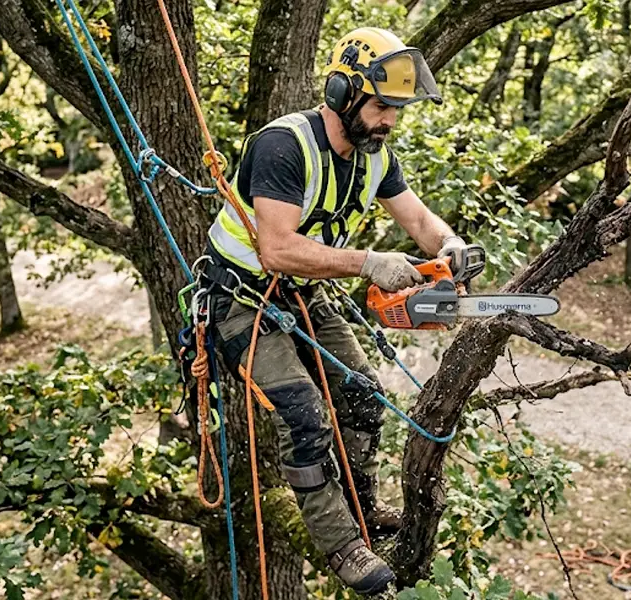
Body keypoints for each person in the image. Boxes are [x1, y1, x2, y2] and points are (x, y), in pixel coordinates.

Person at [201, 26, 477, 595]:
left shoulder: (376, 156)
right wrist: (369, 262)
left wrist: (449, 248)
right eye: (380, 107)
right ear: (340, 92)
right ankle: (340, 543)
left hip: (303, 296)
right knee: (304, 415)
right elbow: (275, 248)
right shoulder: (283, 146)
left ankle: (361, 508)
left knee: (363, 395)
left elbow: (421, 223)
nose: (389, 121)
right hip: (240, 300)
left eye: (396, 110)